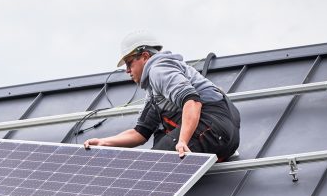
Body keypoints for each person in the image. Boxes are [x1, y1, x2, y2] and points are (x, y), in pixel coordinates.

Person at [83, 31, 241, 162]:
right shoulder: (153, 91)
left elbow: (192, 101)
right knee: (159, 142)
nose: (127, 70)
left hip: (213, 125)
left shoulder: (158, 70)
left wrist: (182, 141)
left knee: (154, 164)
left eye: (129, 63)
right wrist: (104, 142)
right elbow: (140, 133)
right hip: (225, 136)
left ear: (145, 56)